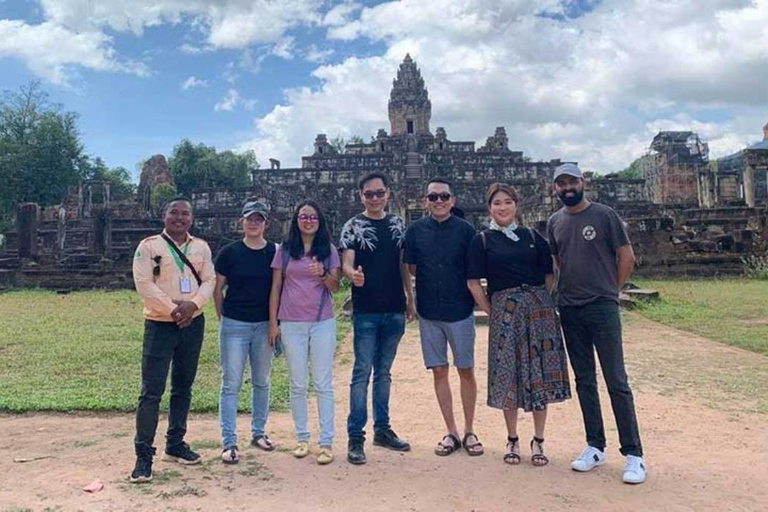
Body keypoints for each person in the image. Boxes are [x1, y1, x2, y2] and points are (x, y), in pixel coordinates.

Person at [547, 163, 647, 484]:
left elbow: (627, 256)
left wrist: (610, 291)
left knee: (616, 379)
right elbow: (557, 262)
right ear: (555, 189)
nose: (567, 188)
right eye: (561, 184)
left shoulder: (605, 215)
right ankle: (595, 445)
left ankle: (633, 454)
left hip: (601, 306)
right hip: (570, 308)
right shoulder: (554, 222)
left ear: (583, 182)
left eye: (571, 181)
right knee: (584, 380)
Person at [467, 183, 571, 466]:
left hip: (538, 311)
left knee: (540, 372)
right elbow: (474, 282)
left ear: (516, 205)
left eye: (508, 202)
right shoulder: (483, 240)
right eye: (497, 203)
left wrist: (538, 302)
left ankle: (538, 440)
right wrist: (493, 309)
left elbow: (549, 274)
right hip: (505, 312)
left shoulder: (533, 237)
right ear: (489, 208)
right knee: (508, 373)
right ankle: (512, 438)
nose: (502, 208)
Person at [130, 197, 215, 483]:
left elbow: (209, 281)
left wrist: (193, 306)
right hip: (159, 324)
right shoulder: (149, 246)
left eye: (185, 214)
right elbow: (144, 284)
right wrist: (175, 310)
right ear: (164, 215)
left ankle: (175, 443)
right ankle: (144, 455)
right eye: (174, 212)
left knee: (183, 386)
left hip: (193, 323)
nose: (179, 218)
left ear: (192, 218)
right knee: (151, 391)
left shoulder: (201, 247)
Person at [339, 172, 416, 465]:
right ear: (361, 196)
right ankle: (355, 436)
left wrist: (410, 298)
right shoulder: (353, 226)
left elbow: (402, 265)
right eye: (368, 194)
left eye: (379, 193)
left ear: (388, 194)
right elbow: (347, 261)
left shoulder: (397, 224)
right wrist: (352, 275)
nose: (374, 198)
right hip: (366, 309)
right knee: (362, 373)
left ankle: (382, 430)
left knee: (384, 373)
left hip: (394, 307)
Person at [403, 178, 483, 457]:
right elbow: (412, 268)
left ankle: (470, 429)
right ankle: (451, 431)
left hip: (460, 310)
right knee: (439, 371)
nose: (439, 201)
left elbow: (474, 271)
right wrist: (411, 300)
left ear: (453, 200)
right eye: (433, 197)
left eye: (444, 196)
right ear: (425, 201)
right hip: (429, 311)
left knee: (466, 370)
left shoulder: (466, 231)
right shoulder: (415, 231)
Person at [268, 200, 341, 465]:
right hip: (291, 322)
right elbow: (276, 287)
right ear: (296, 221)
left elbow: (334, 286)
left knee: (322, 383)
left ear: (319, 221)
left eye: (312, 217)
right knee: (297, 383)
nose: (308, 221)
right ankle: (302, 437)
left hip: (322, 321)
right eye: (303, 216)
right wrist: (273, 323)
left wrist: (322, 273)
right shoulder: (285, 250)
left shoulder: (328, 250)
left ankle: (326, 441)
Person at [213, 200, 277, 465]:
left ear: (266, 223)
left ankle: (258, 432)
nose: (254, 223)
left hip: (263, 324)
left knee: (262, 380)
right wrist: (223, 318)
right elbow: (218, 289)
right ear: (242, 221)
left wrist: (275, 323)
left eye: (259, 219)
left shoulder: (275, 251)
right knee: (231, 383)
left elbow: (278, 288)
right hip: (235, 324)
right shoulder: (229, 253)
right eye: (250, 218)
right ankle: (229, 441)